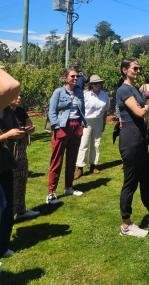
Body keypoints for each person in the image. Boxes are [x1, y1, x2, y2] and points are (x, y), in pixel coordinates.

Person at [116, 59, 149, 237]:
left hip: (140, 136)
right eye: (135, 68)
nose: (138, 71)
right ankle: (126, 225)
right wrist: (145, 107)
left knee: (146, 178)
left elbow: (142, 108)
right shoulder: (124, 89)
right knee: (130, 182)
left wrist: (144, 107)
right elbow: (140, 112)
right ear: (125, 70)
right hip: (130, 137)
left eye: (139, 68)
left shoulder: (135, 89)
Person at [47, 68, 87, 204]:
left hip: (76, 127)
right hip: (62, 126)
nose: (76, 78)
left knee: (72, 158)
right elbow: (52, 112)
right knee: (56, 159)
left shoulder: (79, 92)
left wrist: (81, 125)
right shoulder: (58, 92)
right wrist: (57, 127)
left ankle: (69, 187)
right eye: (73, 76)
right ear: (65, 78)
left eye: (77, 76)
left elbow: (83, 110)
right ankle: (51, 192)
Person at [9, 92, 39, 219]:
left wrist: (27, 129)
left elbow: (31, 127)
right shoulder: (3, 112)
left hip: (21, 150)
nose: (19, 97)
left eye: (21, 95)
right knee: (10, 183)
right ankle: (8, 216)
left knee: (22, 179)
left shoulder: (20, 111)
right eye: (16, 95)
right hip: (8, 152)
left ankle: (21, 211)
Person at [0, 106, 25, 258]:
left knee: (7, 205)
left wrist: (18, 134)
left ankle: (2, 246)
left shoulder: (7, 110)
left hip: (5, 162)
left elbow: (15, 128)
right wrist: (6, 135)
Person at [75, 75, 110, 179]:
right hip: (87, 121)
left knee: (96, 144)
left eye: (99, 83)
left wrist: (104, 123)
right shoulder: (86, 95)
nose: (98, 85)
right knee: (84, 144)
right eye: (95, 83)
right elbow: (80, 109)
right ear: (91, 84)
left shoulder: (105, 96)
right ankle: (80, 168)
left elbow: (105, 111)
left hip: (99, 121)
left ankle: (93, 166)